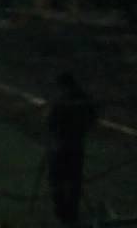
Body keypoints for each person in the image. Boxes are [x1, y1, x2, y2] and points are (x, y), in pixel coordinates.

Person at [46, 72, 98, 226]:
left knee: (57, 179)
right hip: (76, 144)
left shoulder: (62, 101)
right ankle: (71, 211)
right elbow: (92, 117)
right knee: (74, 179)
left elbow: (51, 121)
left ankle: (62, 211)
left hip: (61, 145)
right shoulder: (84, 99)